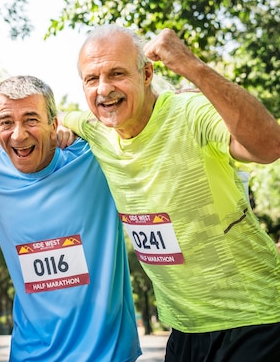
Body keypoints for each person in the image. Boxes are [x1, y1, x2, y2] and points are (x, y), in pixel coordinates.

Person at [63, 25, 280, 361]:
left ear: (147, 73)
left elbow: (269, 146)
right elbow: (40, 116)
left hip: (255, 318)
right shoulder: (95, 129)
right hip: (185, 327)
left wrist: (191, 66)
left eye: (117, 73)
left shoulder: (191, 112)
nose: (104, 89)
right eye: (92, 79)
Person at [0, 75, 141, 361]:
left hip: (106, 353)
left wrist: (75, 123)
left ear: (54, 124)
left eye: (31, 119)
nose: (18, 135)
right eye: (6, 122)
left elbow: (134, 116)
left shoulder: (94, 157)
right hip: (30, 354)